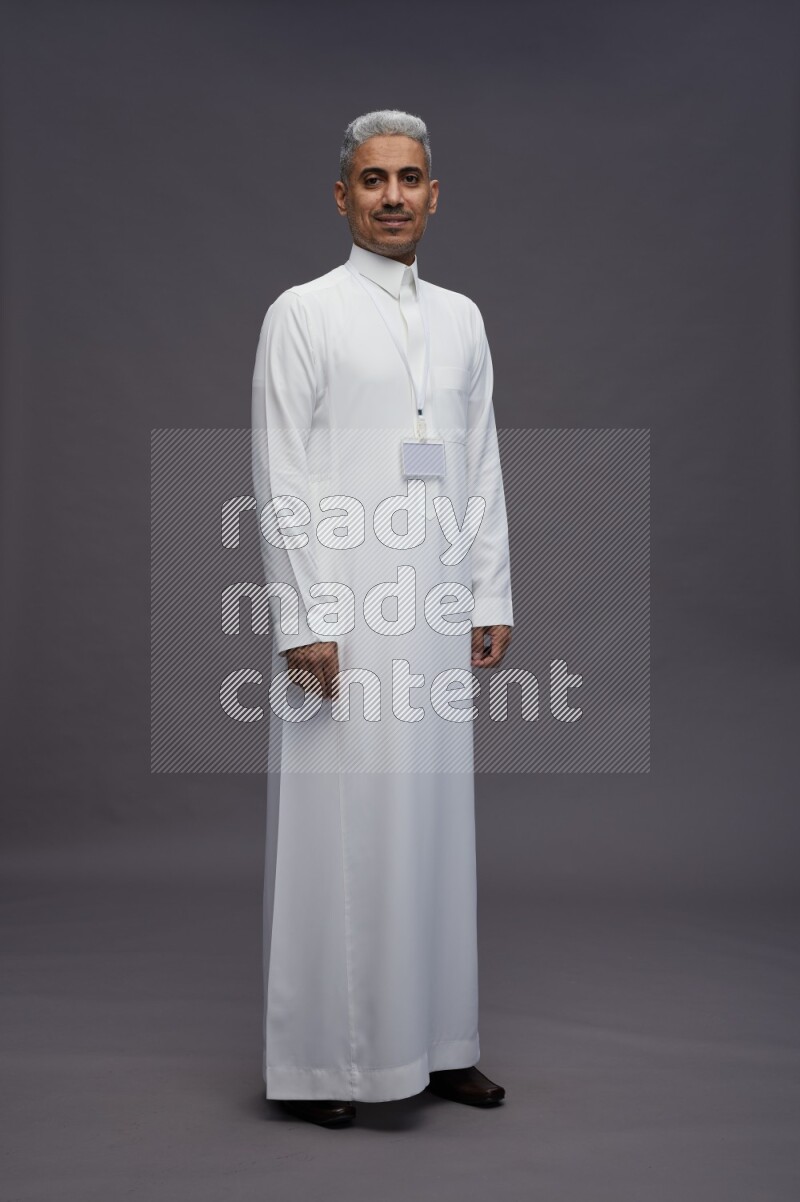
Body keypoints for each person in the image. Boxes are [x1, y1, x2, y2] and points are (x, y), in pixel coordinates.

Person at [251, 109, 513, 1127]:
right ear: (342, 196)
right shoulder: (303, 313)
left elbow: (478, 458)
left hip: (435, 605)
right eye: (373, 180)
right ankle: (328, 1062)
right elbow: (279, 475)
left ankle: (439, 1044)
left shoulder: (460, 319)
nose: (393, 195)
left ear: (433, 194)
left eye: (409, 178)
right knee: (340, 832)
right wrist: (302, 617)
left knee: (435, 827)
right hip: (343, 616)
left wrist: (488, 592)